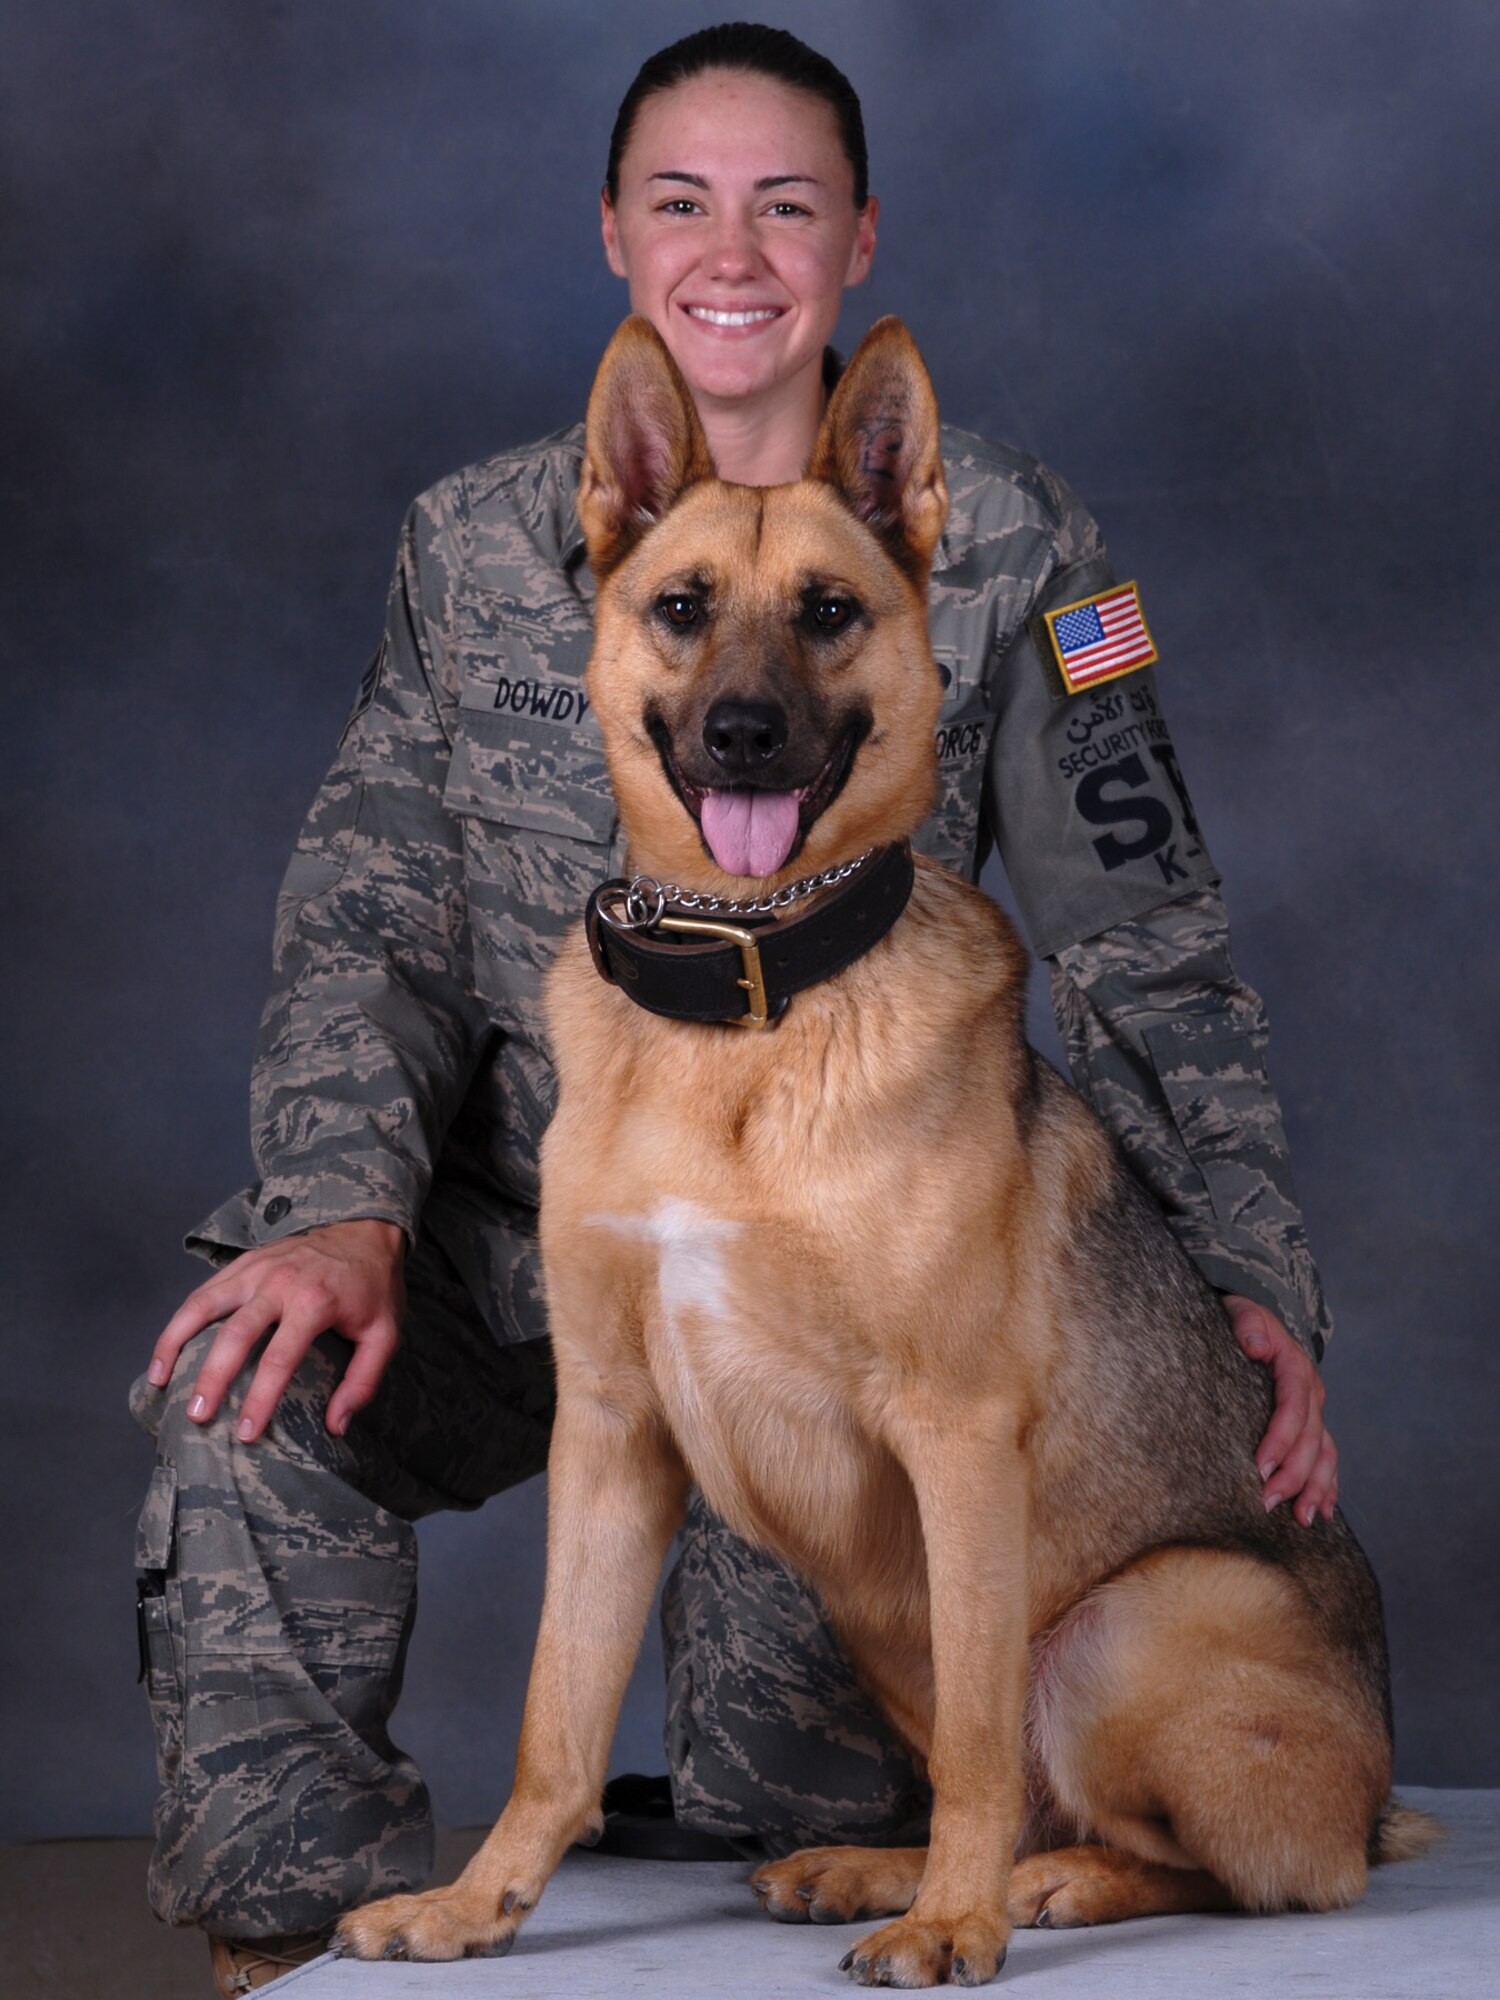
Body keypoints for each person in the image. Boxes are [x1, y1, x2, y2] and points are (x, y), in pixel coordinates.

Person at [131, 22, 1337, 1992]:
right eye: (683, 200)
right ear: (613, 232)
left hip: (868, 1208)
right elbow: (371, 923)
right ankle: (295, 1950)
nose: (734, 249)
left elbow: (1148, 939)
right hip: (539, 1208)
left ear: (860, 237)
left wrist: (1256, 1270)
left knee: (796, 1782)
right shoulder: (473, 540)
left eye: (788, 204)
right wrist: (335, 1206)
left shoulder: (1022, 545)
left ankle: (810, 1810)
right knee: (241, 1393)